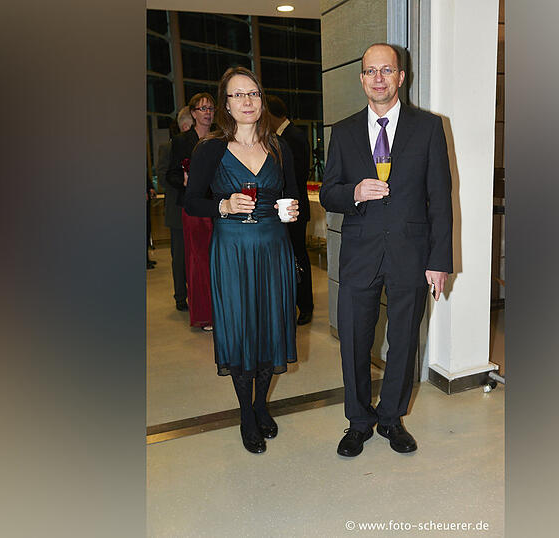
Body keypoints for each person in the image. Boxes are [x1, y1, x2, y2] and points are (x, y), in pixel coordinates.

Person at [320, 43, 453, 457]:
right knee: (354, 341)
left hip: (411, 255)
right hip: (359, 254)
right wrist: (354, 192)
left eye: (386, 70)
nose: (378, 78)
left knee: (403, 341)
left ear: (400, 77)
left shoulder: (428, 128)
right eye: (370, 71)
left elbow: (442, 198)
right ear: (362, 79)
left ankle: (391, 419)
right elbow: (328, 193)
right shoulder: (342, 132)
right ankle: (358, 422)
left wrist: (440, 260)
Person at [183, 67, 300, 454]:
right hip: (232, 249)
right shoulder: (210, 149)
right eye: (237, 95)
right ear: (226, 105)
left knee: (270, 326)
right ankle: (246, 415)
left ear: (261, 100)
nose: (247, 101)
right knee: (238, 327)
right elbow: (191, 200)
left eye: (253, 93)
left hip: (273, 247)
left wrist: (293, 211)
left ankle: (260, 404)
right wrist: (223, 204)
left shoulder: (279, 148)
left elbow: (292, 195)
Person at [168, 94, 216, 331]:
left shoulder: (222, 138)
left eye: (211, 108)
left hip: (220, 207)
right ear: (193, 113)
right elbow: (171, 175)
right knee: (199, 262)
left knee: (218, 260)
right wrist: (186, 182)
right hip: (195, 208)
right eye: (202, 108)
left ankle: (222, 310)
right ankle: (205, 315)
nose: (207, 112)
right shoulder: (181, 140)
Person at [266, 95, 314, 325]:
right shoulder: (282, 137)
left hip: (293, 207)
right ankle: (296, 302)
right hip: (285, 208)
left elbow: (296, 175)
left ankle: (305, 305)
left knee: (298, 256)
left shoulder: (291, 137)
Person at [156, 106, 194, 310]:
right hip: (177, 211)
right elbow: (162, 178)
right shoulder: (168, 148)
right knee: (179, 256)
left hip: (196, 210)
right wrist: (181, 181)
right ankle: (180, 296)